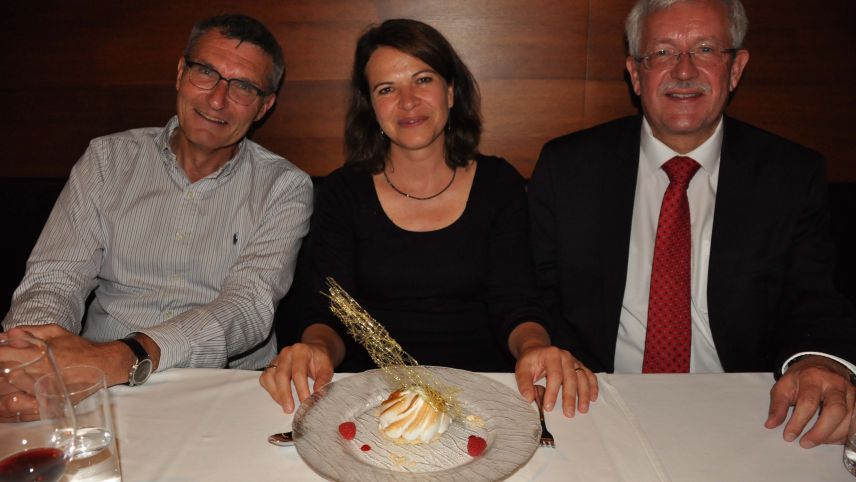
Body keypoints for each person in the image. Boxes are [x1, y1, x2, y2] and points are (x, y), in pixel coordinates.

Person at [528, 0, 856, 448]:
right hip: (596, 402)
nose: (684, 71)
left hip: (747, 410)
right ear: (635, 72)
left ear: (736, 68)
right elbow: (533, 291)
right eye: (662, 53)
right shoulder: (568, 167)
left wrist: (819, 361)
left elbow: (814, 298)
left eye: (705, 50)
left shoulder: (790, 175)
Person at [260, 19, 596, 417]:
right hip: (369, 401)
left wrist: (537, 349)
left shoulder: (498, 184)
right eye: (387, 89)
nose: (407, 101)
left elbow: (517, 302)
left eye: (422, 80)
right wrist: (313, 349)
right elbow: (331, 315)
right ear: (371, 107)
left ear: (450, 92)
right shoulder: (343, 192)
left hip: (483, 395)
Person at [1, 14, 313, 410]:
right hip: (93, 383)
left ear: (264, 106)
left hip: (219, 389)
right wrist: (31, 357)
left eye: (244, 87)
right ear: (181, 73)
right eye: (206, 73)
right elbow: (55, 279)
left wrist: (123, 356)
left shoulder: (284, 187)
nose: (217, 99)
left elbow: (247, 307)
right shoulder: (107, 160)